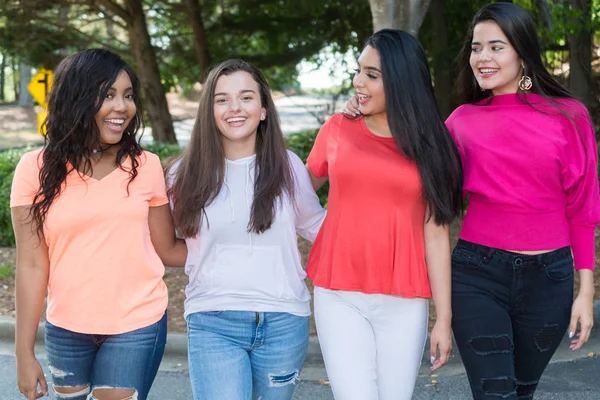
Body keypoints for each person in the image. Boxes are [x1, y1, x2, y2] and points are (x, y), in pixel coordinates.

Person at [347, 3, 599, 399]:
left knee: (522, 391)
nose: (482, 57)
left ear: (522, 52)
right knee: (494, 393)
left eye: (496, 47)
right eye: (476, 47)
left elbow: (583, 211)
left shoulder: (570, 117)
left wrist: (586, 293)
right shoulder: (460, 122)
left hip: (550, 280)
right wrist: (362, 117)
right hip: (477, 277)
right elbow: (409, 170)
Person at [11, 48, 186, 400]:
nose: (122, 107)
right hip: (66, 328)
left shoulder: (146, 165)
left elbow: (166, 248)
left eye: (128, 95)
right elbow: (31, 265)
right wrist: (23, 353)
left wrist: (234, 242)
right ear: (76, 99)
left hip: (137, 323)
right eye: (107, 95)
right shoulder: (34, 169)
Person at [307, 29, 464, 400]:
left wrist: (444, 319)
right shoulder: (337, 129)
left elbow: (436, 233)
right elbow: (296, 195)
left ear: (402, 81)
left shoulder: (432, 146)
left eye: (372, 75)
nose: (358, 82)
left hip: (404, 300)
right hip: (339, 293)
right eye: (358, 71)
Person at [167, 59, 326, 400]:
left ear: (264, 109)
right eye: (221, 99)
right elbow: (165, 241)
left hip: (285, 321)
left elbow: (319, 227)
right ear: (209, 111)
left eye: (246, 97)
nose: (234, 108)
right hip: (213, 320)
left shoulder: (288, 167)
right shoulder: (182, 174)